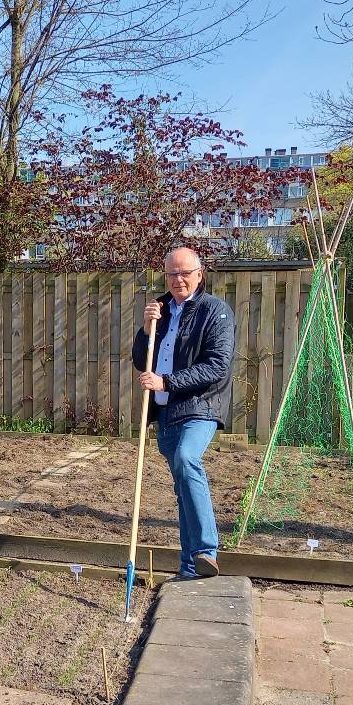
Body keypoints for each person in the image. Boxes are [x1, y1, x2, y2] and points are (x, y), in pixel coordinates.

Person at [132, 246, 235, 578]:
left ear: (199, 274)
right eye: (172, 274)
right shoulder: (159, 311)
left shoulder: (215, 312)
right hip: (166, 411)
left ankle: (206, 549)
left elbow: (216, 366)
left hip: (200, 405)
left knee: (187, 458)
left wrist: (167, 381)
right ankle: (191, 567)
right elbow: (140, 358)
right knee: (182, 484)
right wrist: (147, 330)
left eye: (185, 273)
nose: (178, 280)